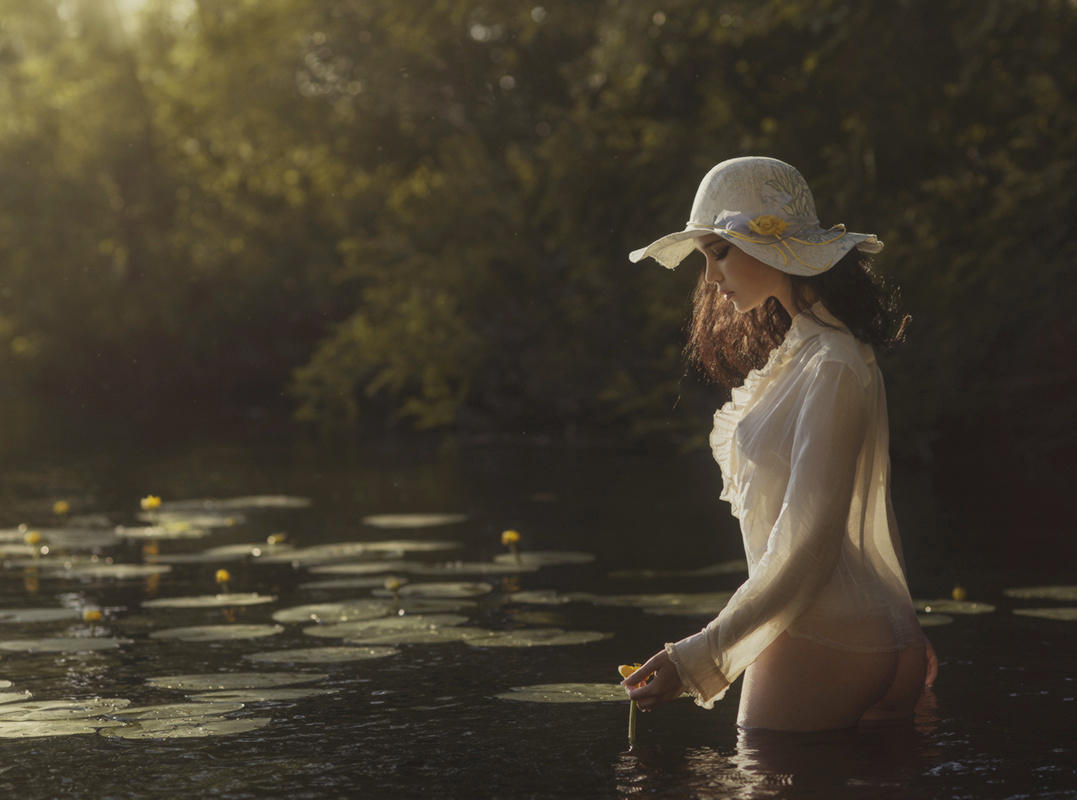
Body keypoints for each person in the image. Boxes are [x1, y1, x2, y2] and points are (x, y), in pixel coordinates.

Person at [621, 156, 933, 732]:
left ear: (771, 248)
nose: (710, 279)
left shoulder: (832, 363)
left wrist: (695, 657)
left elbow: (806, 546)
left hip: (820, 640)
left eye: (718, 252)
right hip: (870, 636)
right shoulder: (819, 355)